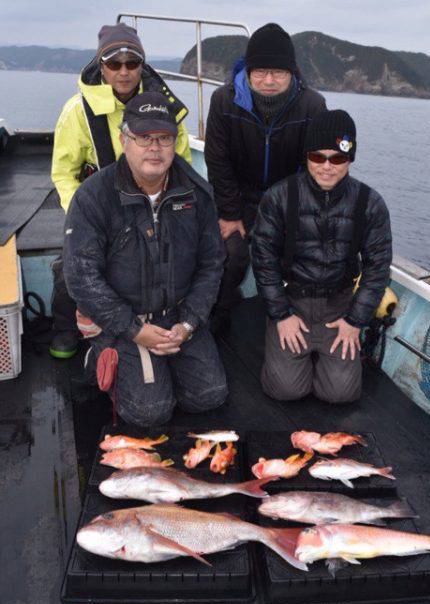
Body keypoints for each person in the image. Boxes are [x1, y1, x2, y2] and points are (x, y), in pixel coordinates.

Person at [63, 91, 228, 427]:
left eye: (164, 138)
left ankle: (164, 360)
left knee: (209, 395)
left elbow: (211, 264)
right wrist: (134, 330)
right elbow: (82, 276)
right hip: (124, 321)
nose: (155, 147)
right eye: (144, 137)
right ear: (125, 140)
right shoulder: (93, 197)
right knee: (149, 413)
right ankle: (99, 353)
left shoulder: (197, 194)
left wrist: (189, 323)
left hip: (179, 317)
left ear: (175, 142)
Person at [50, 23, 192, 359]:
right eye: (114, 63)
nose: (124, 71)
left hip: (153, 203)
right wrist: (81, 212)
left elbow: (182, 164)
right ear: (101, 66)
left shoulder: (166, 107)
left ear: (142, 65)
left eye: (132, 62)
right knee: (71, 264)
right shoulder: (77, 112)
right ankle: (64, 328)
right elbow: (63, 172)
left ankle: (179, 320)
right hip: (98, 207)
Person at [252, 109, 392, 404]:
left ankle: (322, 360)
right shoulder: (279, 196)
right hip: (293, 303)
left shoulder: (370, 203)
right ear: (306, 157)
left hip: (339, 305)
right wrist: (281, 314)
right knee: (285, 390)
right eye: (318, 157)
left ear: (350, 159)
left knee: (341, 394)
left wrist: (355, 320)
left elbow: (377, 267)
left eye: (337, 158)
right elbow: (264, 259)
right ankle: (282, 345)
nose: (327, 167)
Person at [204, 22, 326, 334]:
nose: (269, 80)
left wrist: (286, 216)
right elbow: (218, 160)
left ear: (292, 72)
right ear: (248, 69)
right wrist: (230, 214)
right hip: (238, 197)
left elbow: (312, 168)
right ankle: (219, 309)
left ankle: (281, 317)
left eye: (278, 72)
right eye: (260, 71)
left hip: (287, 200)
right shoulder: (223, 101)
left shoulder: (312, 105)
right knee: (229, 253)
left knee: (289, 256)